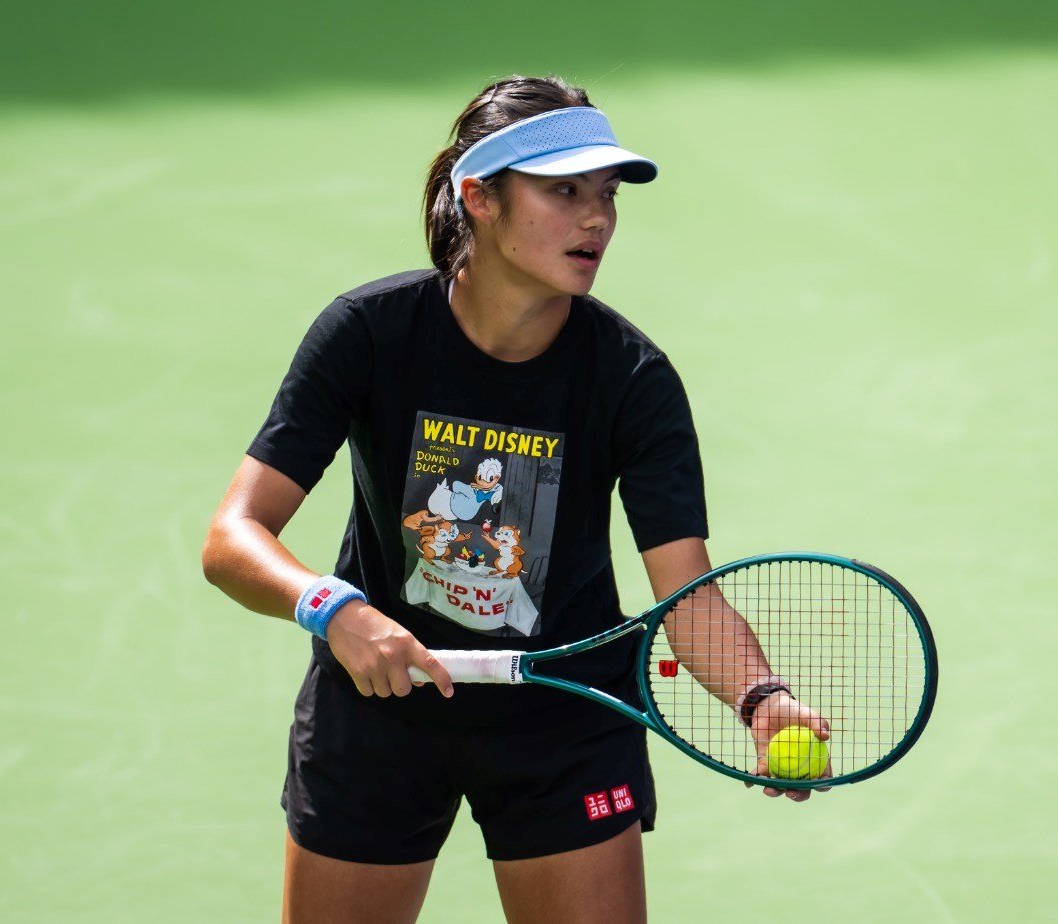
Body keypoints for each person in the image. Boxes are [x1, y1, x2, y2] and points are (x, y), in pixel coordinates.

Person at [201, 75, 821, 924]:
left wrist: (761, 698)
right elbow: (233, 537)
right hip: (380, 711)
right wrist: (335, 610)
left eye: (605, 194)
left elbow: (689, 596)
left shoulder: (631, 379)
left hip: (563, 719)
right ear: (480, 198)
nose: (597, 218)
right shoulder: (369, 335)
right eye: (563, 191)